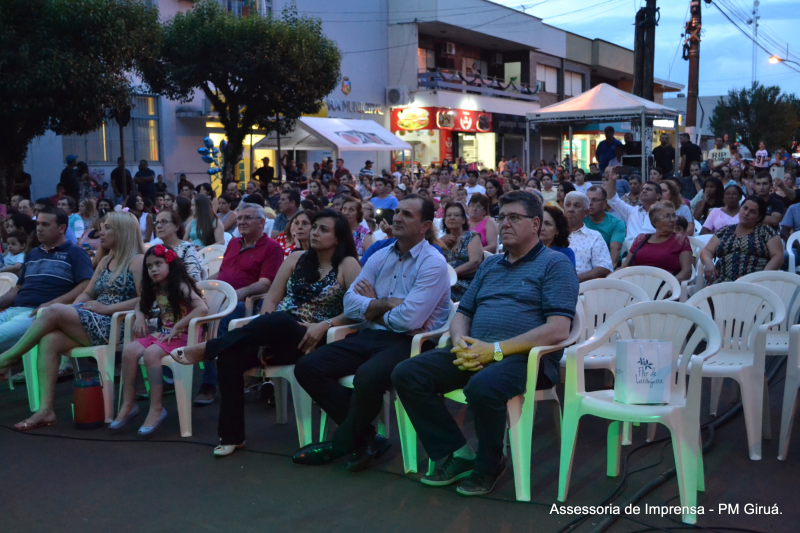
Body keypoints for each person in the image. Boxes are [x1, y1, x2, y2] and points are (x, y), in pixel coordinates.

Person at [391, 190, 579, 495]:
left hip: (526, 359)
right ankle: (457, 452)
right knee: (407, 373)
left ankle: (490, 463)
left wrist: (494, 350)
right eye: (501, 217)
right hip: (477, 351)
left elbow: (558, 329)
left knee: (483, 386)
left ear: (534, 224)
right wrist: (460, 342)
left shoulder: (555, 265)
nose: (505, 224)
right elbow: (463, 311)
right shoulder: (491, 266)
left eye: (514, 217)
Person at [168, 210, 361, 455]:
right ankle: (232, 436)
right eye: (315, 227)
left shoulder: (347, 265)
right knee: (231, 356)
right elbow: (270, 301)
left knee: (279, 319)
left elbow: (361, 310)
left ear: (338, 238)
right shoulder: (296, 259)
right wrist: (262, 333)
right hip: (276, 334)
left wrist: (326, 324)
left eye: (324, 229)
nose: (314, 233)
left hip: (314, 340)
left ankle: (208, 348)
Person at [292, 194, 451, 472]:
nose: (397, 218)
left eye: (407, 215)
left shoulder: (432, 262)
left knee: (368, 376)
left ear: (425, 226)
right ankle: (368, 438)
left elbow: (409, 320)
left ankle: (340, 443)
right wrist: (385, 302)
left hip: (411, 342)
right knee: (307, 367)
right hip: (372, 334)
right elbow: (350, 305)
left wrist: (371, 306)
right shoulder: (381, 254)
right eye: (397, 212)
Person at [1, 212, 145, 430]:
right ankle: (46, 410)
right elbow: (87, 294)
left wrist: (107, 308)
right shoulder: (106, 259)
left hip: (118, 324)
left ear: (122, 232)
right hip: (94, 319)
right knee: (49, 340)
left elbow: (145, 299)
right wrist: (76, 309)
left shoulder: (137, 261)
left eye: (107, 228)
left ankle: (8, 358)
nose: (100, 232)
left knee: (53, 310)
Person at [112, 245, 208, 435]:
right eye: (149, 266)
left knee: (151, 354)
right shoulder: (156, 287)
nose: (153, 269)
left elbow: (202, 309)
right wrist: (139, 316)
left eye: (158, 264)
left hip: (185, 335)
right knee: (130, 351)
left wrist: (179, 325)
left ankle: (156, 407)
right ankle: (129, 404)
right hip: (166, 333)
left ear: (170, 265)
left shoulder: (179, 285)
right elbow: (141, 305)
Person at [196, 204, 284, 404]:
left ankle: (211, 383)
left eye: (248, 218)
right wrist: (201, 287)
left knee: (220, 318)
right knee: (195, 313)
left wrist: (237, 294)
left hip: (250, 303)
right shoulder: (234, 243)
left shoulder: (272, 247)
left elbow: (266, 283)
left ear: (262, 223)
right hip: (222, 298)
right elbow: (223, 273)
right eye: (239, 218)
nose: (241, 222)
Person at [0, 207, 93, 380]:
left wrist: (53, 304)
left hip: (38, 315)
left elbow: (87, 284)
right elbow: (18, 288)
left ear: (62, 228)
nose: (39, 228)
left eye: (45, 224)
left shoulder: (75, 253)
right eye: (37, 224)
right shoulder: (34, 253)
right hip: (13, 310)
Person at [700, 196, 783, 284]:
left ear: (759, 217)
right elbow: (707, 250)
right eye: (745, 208)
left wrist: (762, 276)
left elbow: (778, 256)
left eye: (752, 212)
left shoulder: (766, 231)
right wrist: (708, 263)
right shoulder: (725, 231)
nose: (746, 213)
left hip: (754, 283)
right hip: (722, 281)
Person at [620, 202, 693, 282]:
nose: (673, 220)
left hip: (663, 288)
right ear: (655, 222)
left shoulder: (680, 239)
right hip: (634, 284)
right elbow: (625, 266)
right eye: (667, 216)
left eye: (673, 216)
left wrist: (669, 286)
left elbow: (686, 272)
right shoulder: (641, 239)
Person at [564, 191, 612, 282]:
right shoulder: (553, 233)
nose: (570, 209)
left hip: (584, 289)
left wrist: (574, 280)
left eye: (577, 206)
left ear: (586, 213)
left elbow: (604, 268)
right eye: (568, 205)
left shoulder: (594, 237)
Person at [440, 203, 483, 302]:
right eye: (449, 215)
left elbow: (475, 262)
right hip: (445, 282)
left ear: (464, 220)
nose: (452, 218)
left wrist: (450, 275)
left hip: (466, 284)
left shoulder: (472, 236)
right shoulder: (443, 240)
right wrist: (440, 243)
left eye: (457, 215)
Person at [603, 172, 661, 245]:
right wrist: (611, 180)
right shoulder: (632, 211)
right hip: (631, 252)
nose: (644, 191)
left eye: (648, 189)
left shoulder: (663, 214)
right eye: (643, 189)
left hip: (653, 250)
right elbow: (612, 199)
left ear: (658, 196)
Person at [152, 210, 203, 281]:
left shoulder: (187, 248)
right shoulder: (157, 249)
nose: (159, 226)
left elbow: (194, 279)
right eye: (157, 223)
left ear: (176, 227)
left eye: (164, 221)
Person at [584, 186, 626, 268]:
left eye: (595, 200)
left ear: (604, 203)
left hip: (606, 266)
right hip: (585, 264)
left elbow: (615, 253)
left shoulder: (616, 223)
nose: (590, 203)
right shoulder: (581, 219)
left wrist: (605, 273)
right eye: (587, 200)